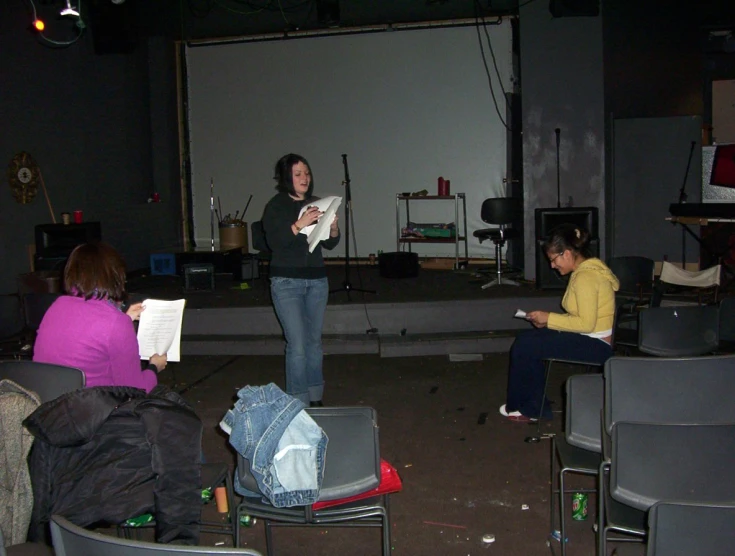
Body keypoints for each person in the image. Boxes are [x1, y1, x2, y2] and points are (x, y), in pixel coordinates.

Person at [500, 224, 619, 421]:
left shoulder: (586, 278)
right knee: (528, 341)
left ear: (567, 253)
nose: (552, 266)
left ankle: (528, 409)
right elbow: (582, 319)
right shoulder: (589, 270)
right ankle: (533, 405)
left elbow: (586, 324)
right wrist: (548, 322)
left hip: (595, 344)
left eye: (554, 260)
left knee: (526, 345)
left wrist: (549, 318)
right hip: (592, 337)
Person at [33, 242, 167, 392]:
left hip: (50, 406)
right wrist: (154, 367)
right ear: (115, 275)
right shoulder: (115, 323)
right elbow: (134, 390)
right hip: (92, 408)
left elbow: (86, 331)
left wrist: (125, 319)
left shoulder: (57, 306)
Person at [262, 153, 340, 407]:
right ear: (287, 177)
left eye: (306, 173)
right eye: (298, 174)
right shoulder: (276, 206)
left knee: (314, 342)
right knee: (297, 344)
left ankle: (316, 396)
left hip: (317, 280)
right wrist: (299, 223)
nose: (304, 178)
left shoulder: (318, 203)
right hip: (287, 281)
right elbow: (274, 242)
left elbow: (329, 243)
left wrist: (333, 227)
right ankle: (298, 401)